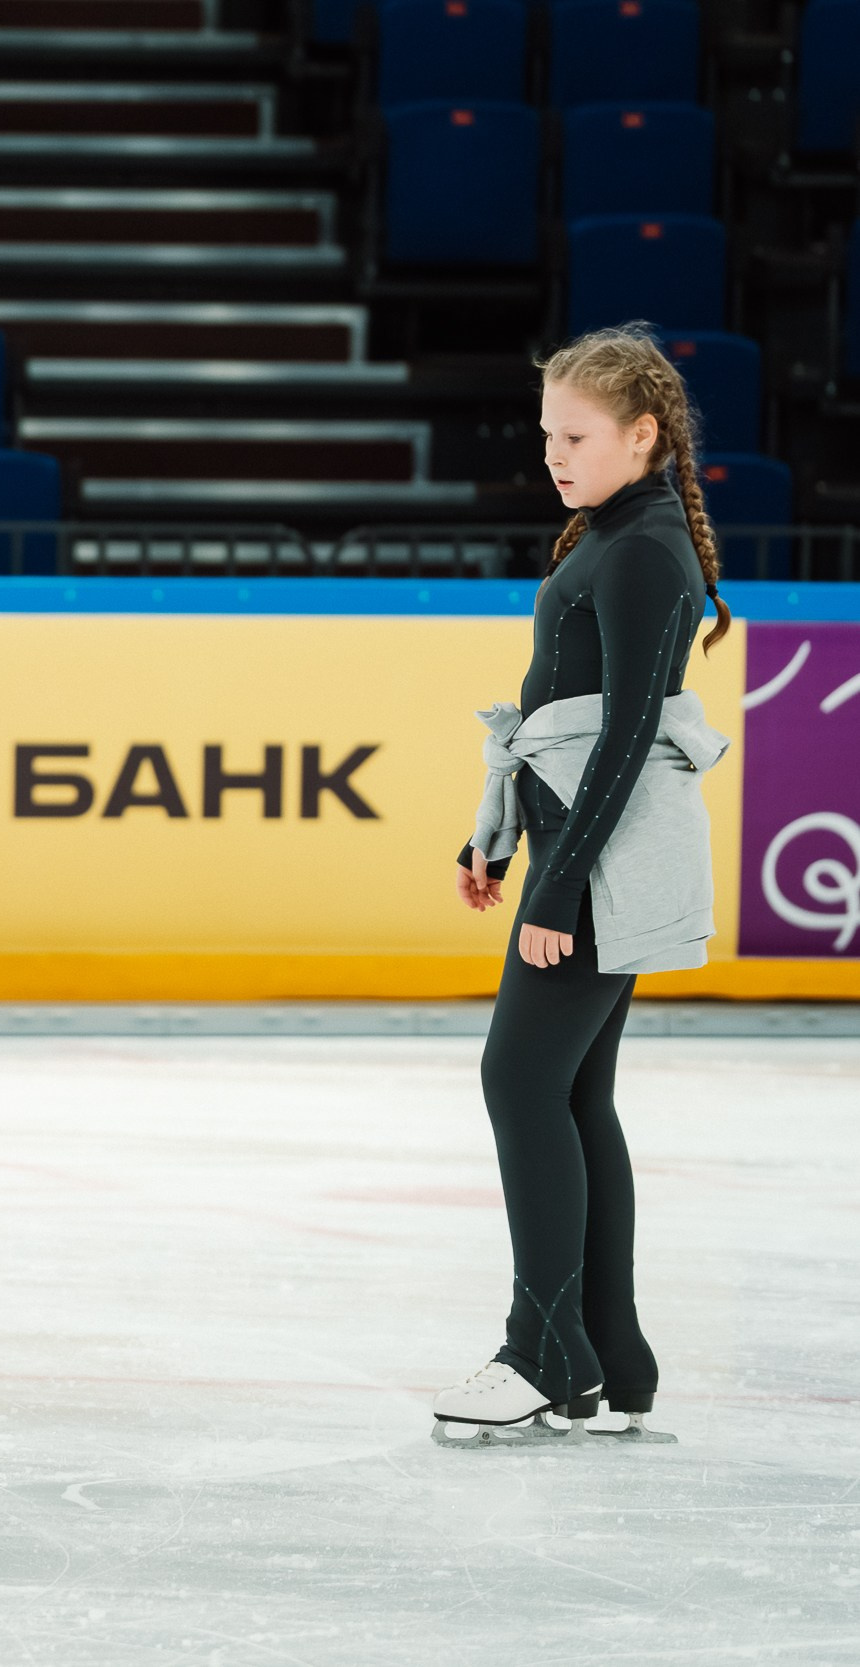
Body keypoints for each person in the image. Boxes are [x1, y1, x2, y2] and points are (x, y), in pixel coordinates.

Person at [433, 323, 732, 1446]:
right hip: (579, 851)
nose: (554, 454)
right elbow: (560, 712)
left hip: (601, 867)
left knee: (520, 1082)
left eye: (577, 435)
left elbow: (626, 736)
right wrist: (498, 838)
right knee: (569, 1095)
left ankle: (544, 1351)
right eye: (548, 433)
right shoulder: (613, 532)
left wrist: (557, 890)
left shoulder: (646, 547)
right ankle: (611, 1357)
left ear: (642, 434)